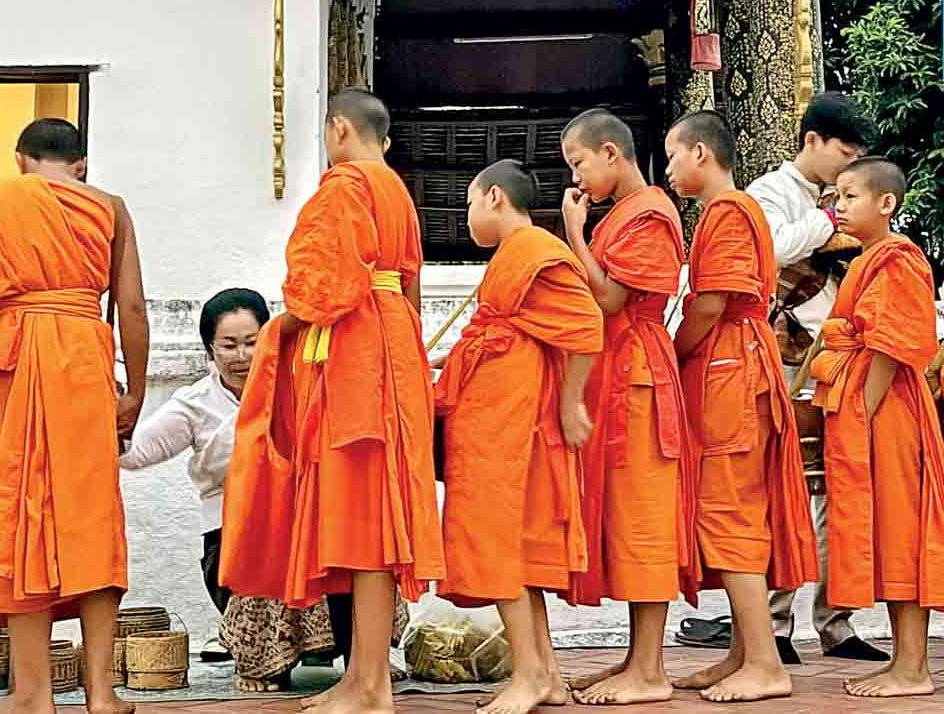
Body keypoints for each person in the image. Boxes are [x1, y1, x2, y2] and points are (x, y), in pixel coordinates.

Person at [221, 88, 444, 714]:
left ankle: (370, 683)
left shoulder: (344, 186)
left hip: (356, 355)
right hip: (393, 344)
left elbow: (325, 288)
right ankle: (366, 675)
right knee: (376, 516)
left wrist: (282, 328)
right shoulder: (396, 191)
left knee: (366, 519)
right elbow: (409, 286)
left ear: (339, 128)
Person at [0, 118, 148, 714]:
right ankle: (102, 693)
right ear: (81, 165)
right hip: (85, 364)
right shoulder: (110, 207)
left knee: (19, 519)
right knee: (93, 521)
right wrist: (135, 392)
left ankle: (32, 692)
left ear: (20, 160)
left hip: (16, 366)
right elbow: (132, 306)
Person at [121, 288, 359, 691]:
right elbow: (136, 452)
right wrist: (103, 413)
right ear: (209, 349)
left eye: (252, 342)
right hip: (232, 538)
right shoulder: (195, 403)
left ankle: (363, 664)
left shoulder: (301, 385)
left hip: (305, 529)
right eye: (229, 345)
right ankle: (262, 663)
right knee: (264, 546)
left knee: (352, 543)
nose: (243, 355)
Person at [435, 159, 603, 714]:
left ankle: (528, 674)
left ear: (494, 198)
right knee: (515, 551)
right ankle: (546, 673)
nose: (466, 217)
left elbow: (587, 326)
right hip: (495, 419)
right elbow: (503, 332)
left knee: (498, 544)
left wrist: (572, 403)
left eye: (469, 203)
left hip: (510, 425)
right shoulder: (516, 254)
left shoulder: (533, 251)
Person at [666, 110, 817, 704]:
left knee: (731, 512)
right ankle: (742, 653)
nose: (670, 168)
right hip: (735, 363)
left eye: (674, 155)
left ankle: (765, 663)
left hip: (731, 366)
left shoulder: (729, 211)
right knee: (730, 509)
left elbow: (711, 303)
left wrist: (674, 351)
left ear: (701, 154)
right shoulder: (732, 210)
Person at [559, 109, 696, 706]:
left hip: (639, 376)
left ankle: (650, 670)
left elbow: (612, 298)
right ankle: (636, 659)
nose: (577, 178)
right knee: (625, 515)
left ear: (611, 153)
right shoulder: (624, 214)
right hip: (617, 370)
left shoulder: (651, 214)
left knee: (644, 517)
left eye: (579, 163)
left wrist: (574, 234)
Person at [746, 93, 885, 664]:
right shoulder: (769, 192)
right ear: (813, 140)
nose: (850, 166)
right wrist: (828, 221)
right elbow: (771, 249)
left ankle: (836, 621)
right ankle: (775, 624)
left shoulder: (850, 193)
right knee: (781, 485)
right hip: (783, 356)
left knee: (836, 485)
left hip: (839, 356)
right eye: (844, 154)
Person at [810, 157, 944, 698]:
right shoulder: (869, 260)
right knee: (887, 534)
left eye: (849, 196)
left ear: (886, 203)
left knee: (903, 533)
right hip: (869, 403)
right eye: (836, 197)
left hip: (888, 410)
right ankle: (903, 661)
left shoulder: (898, 259)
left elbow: (890, 344)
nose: (838, 207)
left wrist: (861, 413)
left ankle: (914, 668)